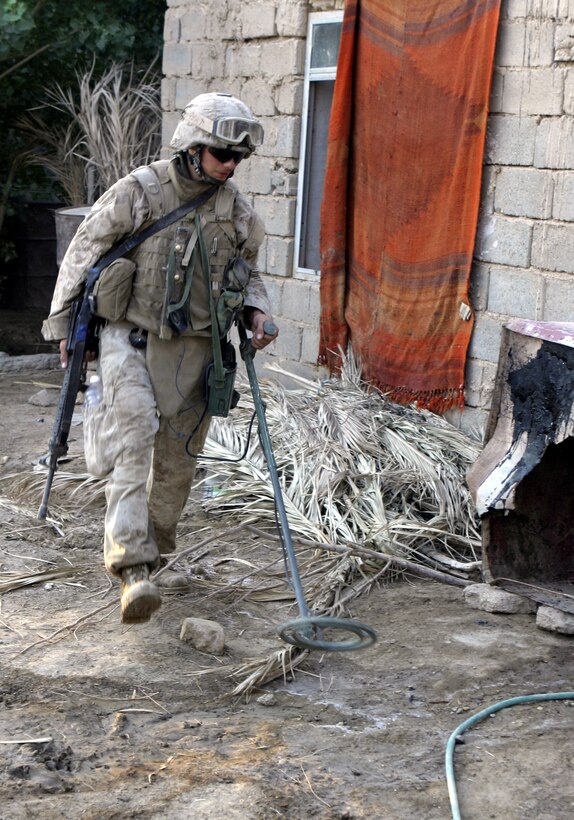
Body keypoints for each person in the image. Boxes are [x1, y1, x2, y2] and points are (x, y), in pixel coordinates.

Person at [42, 92, 278, 625]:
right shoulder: (142, 191)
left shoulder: (238, 213)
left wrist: (258, 313)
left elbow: (250, 274)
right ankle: (131, 567)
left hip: (198, 349)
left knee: (178, 463)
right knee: (132, 440)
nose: (231, 165)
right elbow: (84, 247)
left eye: (239, 158)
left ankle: (158, 552)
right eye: (222, 153)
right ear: (193, 147)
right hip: (132, 337)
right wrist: (62, 323)